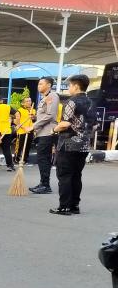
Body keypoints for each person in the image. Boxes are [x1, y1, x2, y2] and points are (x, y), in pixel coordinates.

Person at [50, 74, 94, 215]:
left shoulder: (71, 102)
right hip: (84, 145)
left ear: (76, 86)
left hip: (68, 144)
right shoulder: (92, 102)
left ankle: (64, 207)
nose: (69, 88)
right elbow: (94, 126)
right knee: (76, 175)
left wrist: (53, 129)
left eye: (69, 85)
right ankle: (75, 206)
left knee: (64, 176)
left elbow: (65, 123)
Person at [29, 76, 61, 194]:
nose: (39, 86)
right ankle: (43, 183)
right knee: (42, 159)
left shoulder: (52, 96)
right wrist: (35, 118)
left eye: (41, 84)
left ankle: (45, 185)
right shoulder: (44, 98)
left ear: (49, 85)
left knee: (43, 159)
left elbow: (50, 116)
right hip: (42, 133)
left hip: (47, 132)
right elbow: (44, 115)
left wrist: (33, 126)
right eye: (38, 84)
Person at [0, 97, 18, 171]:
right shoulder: (7, 107)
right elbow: (17, 113)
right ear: (2, 101)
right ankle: (10, 165)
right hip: (6, 131)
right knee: (7, 149)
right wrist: (16, 122)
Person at [15, 96, 35, 164]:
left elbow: (34, 121)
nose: (29, 102)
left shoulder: (33, 110)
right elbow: (17, 122)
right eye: (27, 101)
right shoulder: (19, 110)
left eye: (30, 101)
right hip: (22, 131)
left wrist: (33, 117)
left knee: (28, 146)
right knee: (19, 146)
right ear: (23, 103)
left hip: (30, 130)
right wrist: (24, 128)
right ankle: (17, 159)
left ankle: (25, 159)